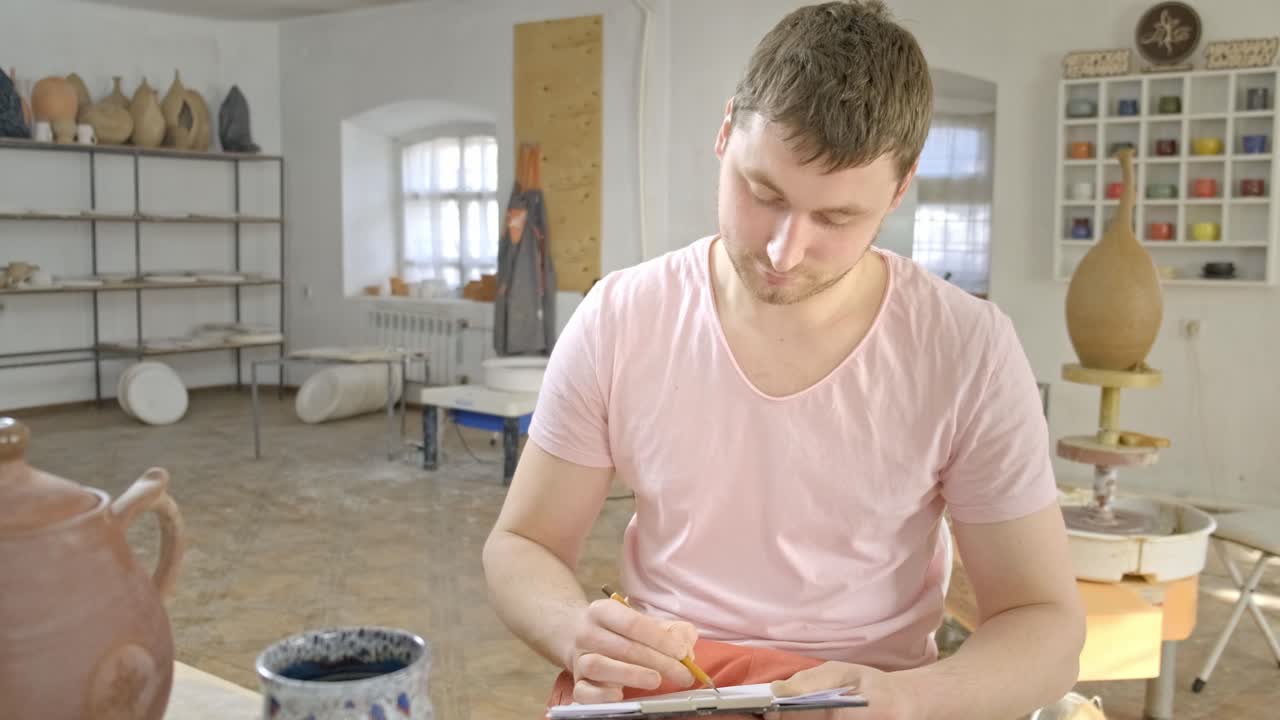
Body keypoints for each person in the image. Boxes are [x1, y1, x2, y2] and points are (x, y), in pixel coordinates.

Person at [482, 2, 1086, 718]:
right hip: (667, 689)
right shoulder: (621, 317)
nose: (782, 252)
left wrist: (913, 701)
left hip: (863, 694)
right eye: (762, 193)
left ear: (899, 188)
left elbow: (1045, 622)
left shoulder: (966, 348)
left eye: (836, 218)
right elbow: (522, 542)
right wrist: (574, 630)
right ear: (725, 129)